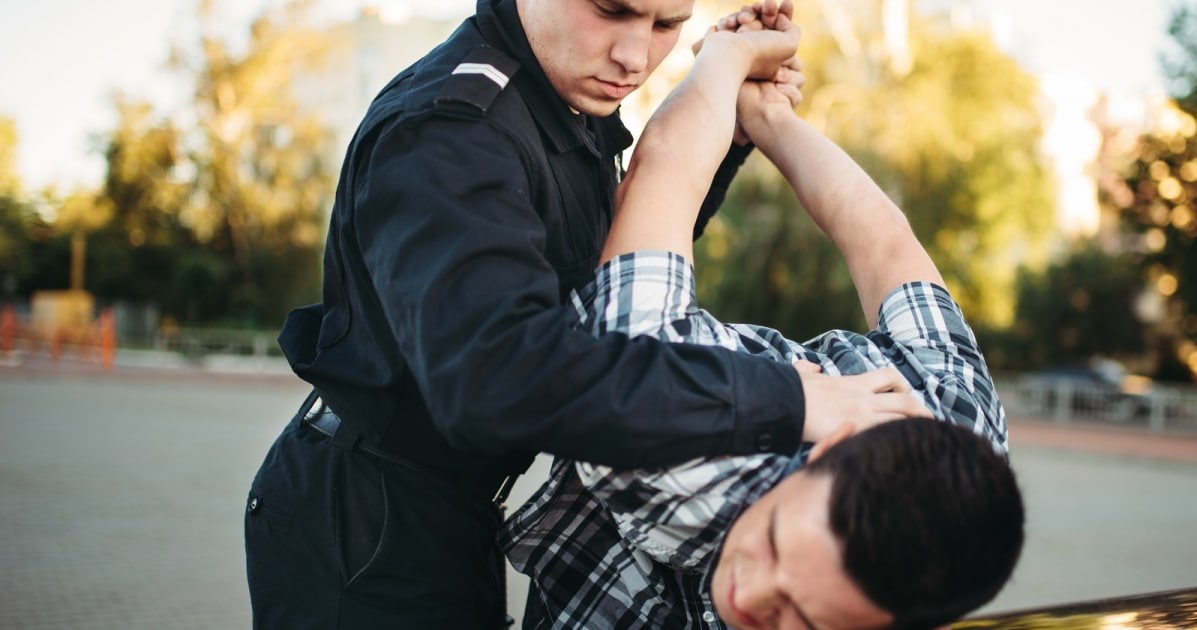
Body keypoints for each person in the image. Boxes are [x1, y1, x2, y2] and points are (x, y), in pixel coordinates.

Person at [242, 0, 931, 626]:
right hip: (364, 521)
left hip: (448, 504)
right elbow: (501, 378)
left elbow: (608, 279)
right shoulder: (451, 132)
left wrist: (731, 119)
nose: (635, 56)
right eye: (611, 10)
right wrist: (788, 398)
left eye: (667, 25)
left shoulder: (560, 101)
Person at [503, 4, 1024, 628]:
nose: (748, 598)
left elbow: (666, 168)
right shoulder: (958, 415)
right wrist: (768, 116)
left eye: (797, 617)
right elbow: (881, 239)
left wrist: (723, 69)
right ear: (835, 446)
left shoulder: (672, 464)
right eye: (774, 539)